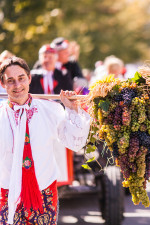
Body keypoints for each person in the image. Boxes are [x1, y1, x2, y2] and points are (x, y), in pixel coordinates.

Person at [0, 56, 90, 224]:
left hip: (43, 192)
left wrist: (72, 110)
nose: (17, 85)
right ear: (3, 85)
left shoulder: (51, 110)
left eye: (21, 78)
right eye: (10, 81)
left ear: (29, 78)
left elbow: (75, 143)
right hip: (6, 194)